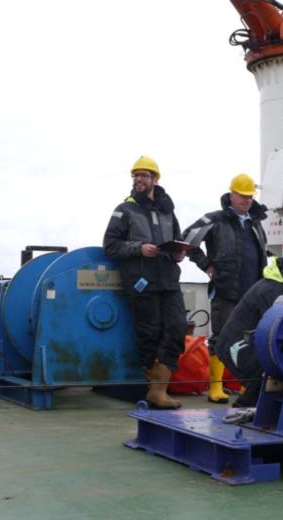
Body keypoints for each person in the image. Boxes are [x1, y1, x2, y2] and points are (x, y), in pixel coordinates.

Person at [103, 155, 187, 409]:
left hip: (168, 279)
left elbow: (178, 238)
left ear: (155, 179)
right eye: (135, 175)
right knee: (149, 333)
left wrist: (178, 252)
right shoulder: (124, 209)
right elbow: (110, 246)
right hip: (141, 281)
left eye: (144, 175)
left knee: (177, 327)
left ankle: (158, 388)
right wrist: (140, 248)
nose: (138, 180)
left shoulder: (168, 211)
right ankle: (156, 390)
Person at [182, 173, 267, 403]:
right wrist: (206, 265)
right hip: (225, 291)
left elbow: (261, 255)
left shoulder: (256, 224)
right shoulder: (215, 219)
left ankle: (242, 385)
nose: (247, 200)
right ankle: (215, 388)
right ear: (231, 195)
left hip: (252, 292)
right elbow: (186, 239)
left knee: (249, 339)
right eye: (242, 196)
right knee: (220, 337)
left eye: (250, 196)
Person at [215, 240, 283, 408]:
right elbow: (276, 334)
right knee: (268, 374)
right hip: (237, 345)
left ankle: (255, 409)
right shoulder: (274, 291)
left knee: (275, 373)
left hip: (253, 342)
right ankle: (244, 410)